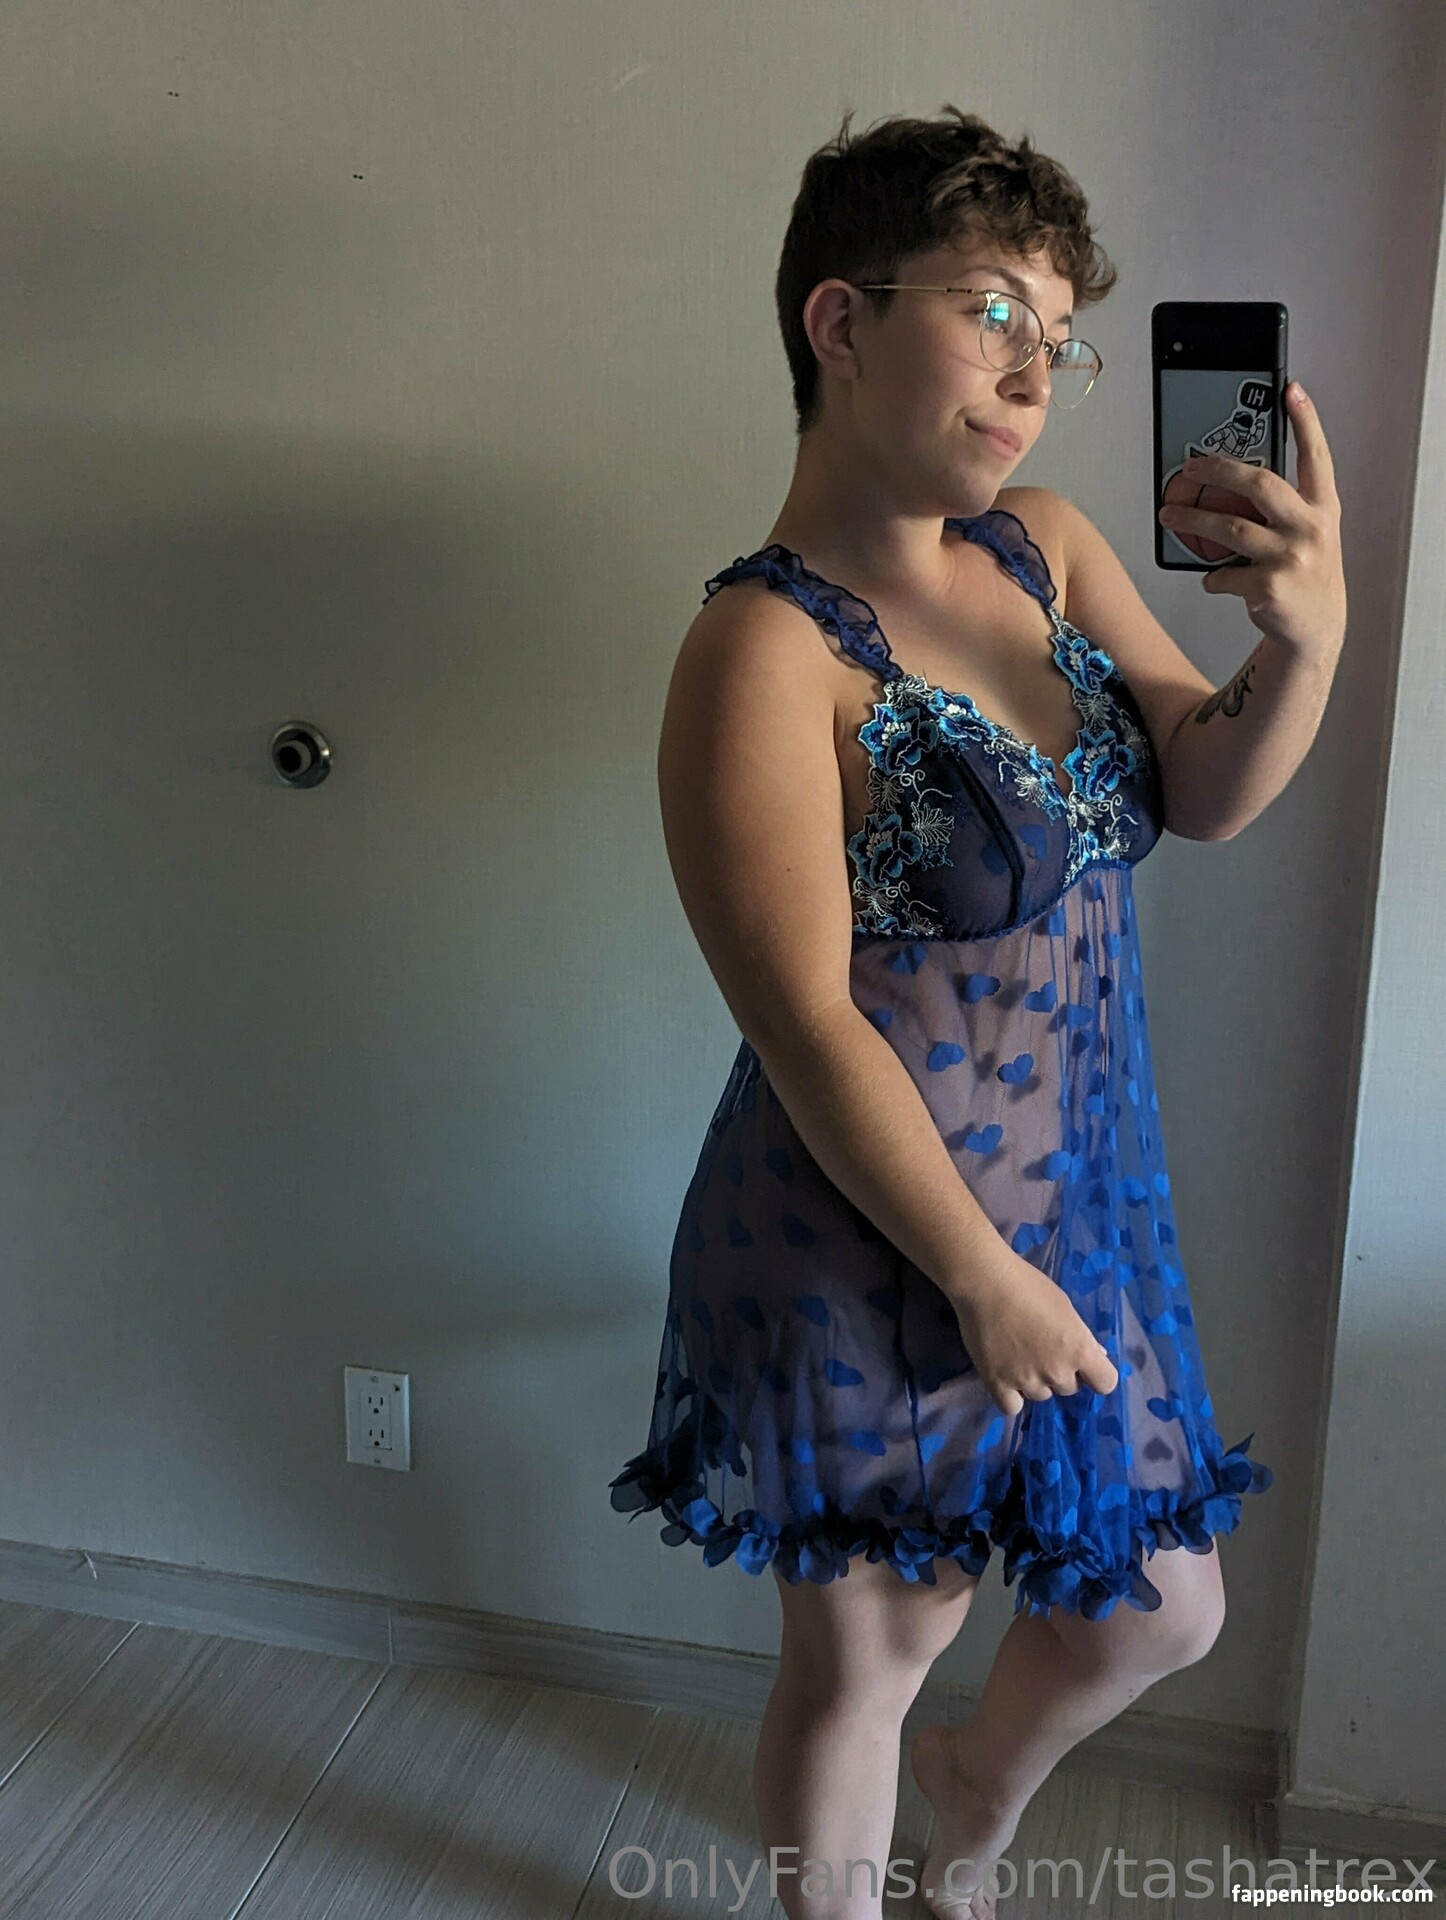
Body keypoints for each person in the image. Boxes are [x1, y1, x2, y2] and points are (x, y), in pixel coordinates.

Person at [609, 104, 1344, 1920]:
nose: (1034, 373)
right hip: (871, 1234)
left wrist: (1301, 641)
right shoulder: (760, 652)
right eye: (991, 310)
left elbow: (1204, 784)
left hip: (1072, 1212)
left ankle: (974, 1794)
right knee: (878, 1647)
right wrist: (973, 1276)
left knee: (1161, 1608)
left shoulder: (1044, 549)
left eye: (1059, 336)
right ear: (840, 321)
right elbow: (801, 1020)